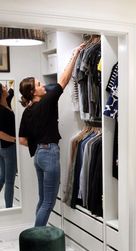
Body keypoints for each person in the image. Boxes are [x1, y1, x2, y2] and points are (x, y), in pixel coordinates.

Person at [19, 44, 85, 226]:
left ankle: (36, 234)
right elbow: (63, 80)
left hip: (38, 156)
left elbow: (23, 141)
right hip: (49, 154)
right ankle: (37, 239)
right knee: (48, 202)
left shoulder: (27, 111)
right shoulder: (47, 101)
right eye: (39, 84)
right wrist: (75, 53)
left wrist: (39, 142)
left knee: (42, 200)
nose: (42, 85)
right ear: (33, 92)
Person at [0, 83, 17, 208]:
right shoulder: (1, 111)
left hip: (2, 147)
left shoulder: (5, 102)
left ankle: (8, 207)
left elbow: (11, 92)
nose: (6, 88)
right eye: (3, 87)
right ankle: (9, 209)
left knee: (2, 176)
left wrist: (13, 86)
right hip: (7, 147)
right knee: (10, 181)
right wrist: (14, 139)